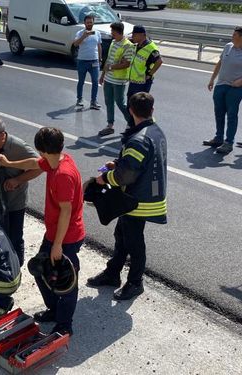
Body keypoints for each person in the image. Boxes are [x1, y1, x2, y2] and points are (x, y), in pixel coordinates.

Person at [0, 127, 85, 336]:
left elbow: (66, 211)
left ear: (41, 149)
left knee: (66, 282)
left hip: (67, 238)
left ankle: (65, 325)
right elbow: (33, 163)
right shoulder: (55, 161)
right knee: (40, 269)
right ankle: (54, 311)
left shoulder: (63, 174)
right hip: (55, 234)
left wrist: (58, 245)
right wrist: (9, 164)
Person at [87, 92, 167, 301]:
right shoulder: (155, 131)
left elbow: (127, 175)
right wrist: (119, 162)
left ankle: (135, 283)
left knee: (133, 243)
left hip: (138, 201)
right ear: (152, 109)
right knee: (122, 236)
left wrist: (105, 178)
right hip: (145, 197)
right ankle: (112, 273)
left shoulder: (138, 140)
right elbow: (138, 163)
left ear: (130, 110)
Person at [0, 117, 41, 267]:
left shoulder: (18, 147)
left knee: (15, 237)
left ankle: (16, 267)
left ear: (2, 135)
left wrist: (18, 180)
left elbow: (40, 166)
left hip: (14, 202)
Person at [203, 26, 242, 155]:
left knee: (231, 115)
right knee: (219, 113)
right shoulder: (228, 46)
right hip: (221, 85)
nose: (232, 37)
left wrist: (240, 81)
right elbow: (220, 63)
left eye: (235, 35)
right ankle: (218, 138)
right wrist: (212, 79)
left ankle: (228, 142)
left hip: (235, 88)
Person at [98, 22, 134, 137]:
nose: (111, 33)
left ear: (118, 31)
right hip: (109, 78)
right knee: (109, 102)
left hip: (119, 80)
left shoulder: (128, 45)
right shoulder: (113, 42)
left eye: (112, 31)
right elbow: (109, 59)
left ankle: (131, 123)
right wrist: (103, 75)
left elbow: (126, 63)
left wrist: (112, 67)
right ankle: (110, 125)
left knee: (120, 103)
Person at [126, 25, 163, 127]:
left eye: (134, 34)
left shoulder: (151, 48)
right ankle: (131, 126)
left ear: (141, 35)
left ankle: (141, 127)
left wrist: (149, 74)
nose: (132, 36)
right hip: (134, 81)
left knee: (140, 108)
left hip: (142, 83)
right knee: (131, 106)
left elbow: (159, 61)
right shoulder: (138, 45)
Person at [72, 14, 102, 110]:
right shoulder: (80, 33)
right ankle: (79, 99)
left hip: (94, 61)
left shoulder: (97, 33)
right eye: (87, 22)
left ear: (93, 22)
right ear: (84, 23)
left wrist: (100, 58)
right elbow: (75, 44)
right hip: (82, 61)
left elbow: (99, 46)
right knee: (81, 81)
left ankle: (93, 101)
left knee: (95, 81)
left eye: (91, 22)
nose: (89, 24)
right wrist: (84, 36)